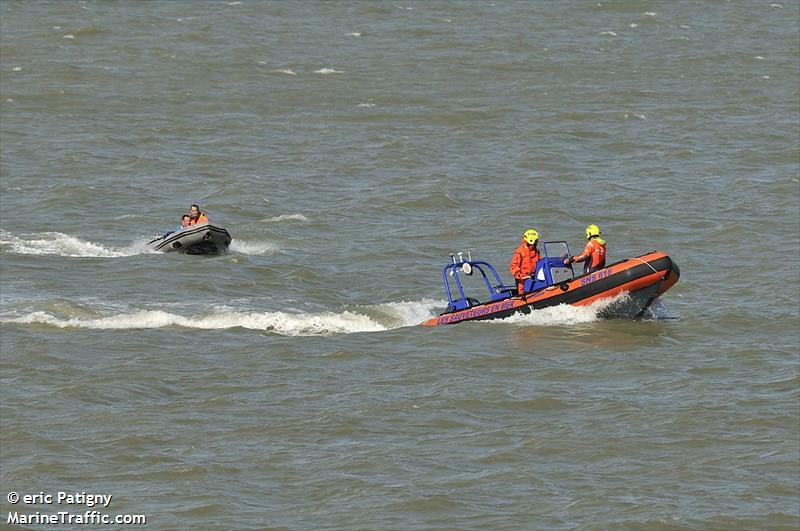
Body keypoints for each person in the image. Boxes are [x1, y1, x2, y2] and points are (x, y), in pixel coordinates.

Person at [509, 229, 541, 295]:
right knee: (523, 293)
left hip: (534, 278)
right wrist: (522, 276)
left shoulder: (536, 251)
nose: (537, 242)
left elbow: (540, 263)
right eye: (536, 240)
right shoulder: (520, 251)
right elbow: (513, 266)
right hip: (523, 281)